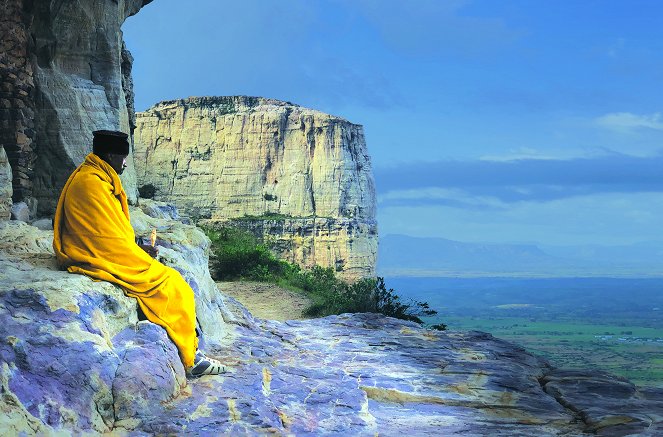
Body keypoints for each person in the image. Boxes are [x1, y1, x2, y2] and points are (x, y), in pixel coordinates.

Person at [53, 129, 225, 377]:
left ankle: (191, 346)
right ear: (111, 155)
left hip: (102, 248)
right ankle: (191, 359)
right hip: (88, 252)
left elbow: (108, 230)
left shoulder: (96, 176)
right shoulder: (90, 183)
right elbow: (102, 239)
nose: (124, 163)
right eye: (123, 158)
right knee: (170, 283)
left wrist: (135, 247)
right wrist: (135, 253)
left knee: (170, 278)